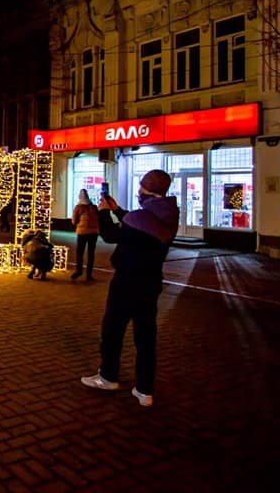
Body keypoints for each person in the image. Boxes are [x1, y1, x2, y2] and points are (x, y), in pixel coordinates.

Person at [81, 169, 179, 408]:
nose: (139, 192)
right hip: (151, 282)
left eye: (142, 188)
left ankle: (108, 376)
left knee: (113, 330)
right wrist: (117, 210)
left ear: (147, 189)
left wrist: (104, 213)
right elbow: (140, 224)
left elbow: (111, 235)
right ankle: (145, 390)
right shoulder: (168, 215)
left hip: (127, 282)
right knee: (146, 337)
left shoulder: (141, 218)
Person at [71, 189, 100, 281]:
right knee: (91, 253)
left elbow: (74, 221)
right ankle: (89, 274)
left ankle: (79, 271)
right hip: (94, 233)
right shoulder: (94, 207)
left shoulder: (78, 207)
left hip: (82, 233)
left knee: (80, 252)